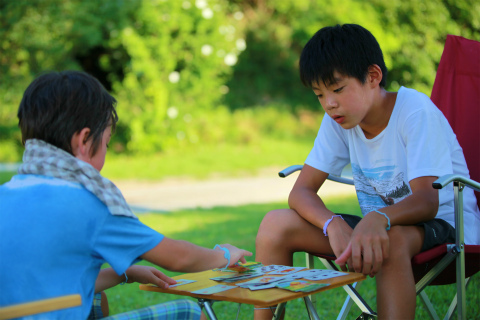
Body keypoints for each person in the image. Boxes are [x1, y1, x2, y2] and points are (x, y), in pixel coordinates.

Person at [254, 24, 480, 320]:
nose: (329, 103)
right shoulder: (338, 119)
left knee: (391, 238)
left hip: (449, 228)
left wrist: (379, 218)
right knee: (276, 224)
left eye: (337, 89)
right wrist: (332, 224)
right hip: (379, 228)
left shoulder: (415, 111)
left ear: (373, 77)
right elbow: (301, 192)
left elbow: (428, 201)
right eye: (319, 94)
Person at [0, 70, 252, 320]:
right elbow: (178, 257)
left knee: (98, 302)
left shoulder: (6, 194)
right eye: (107, 143)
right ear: (85, 140)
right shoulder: (89, 203)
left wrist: (126, 273)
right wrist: (224, 256)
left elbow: (53, 282)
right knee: (187, 312)